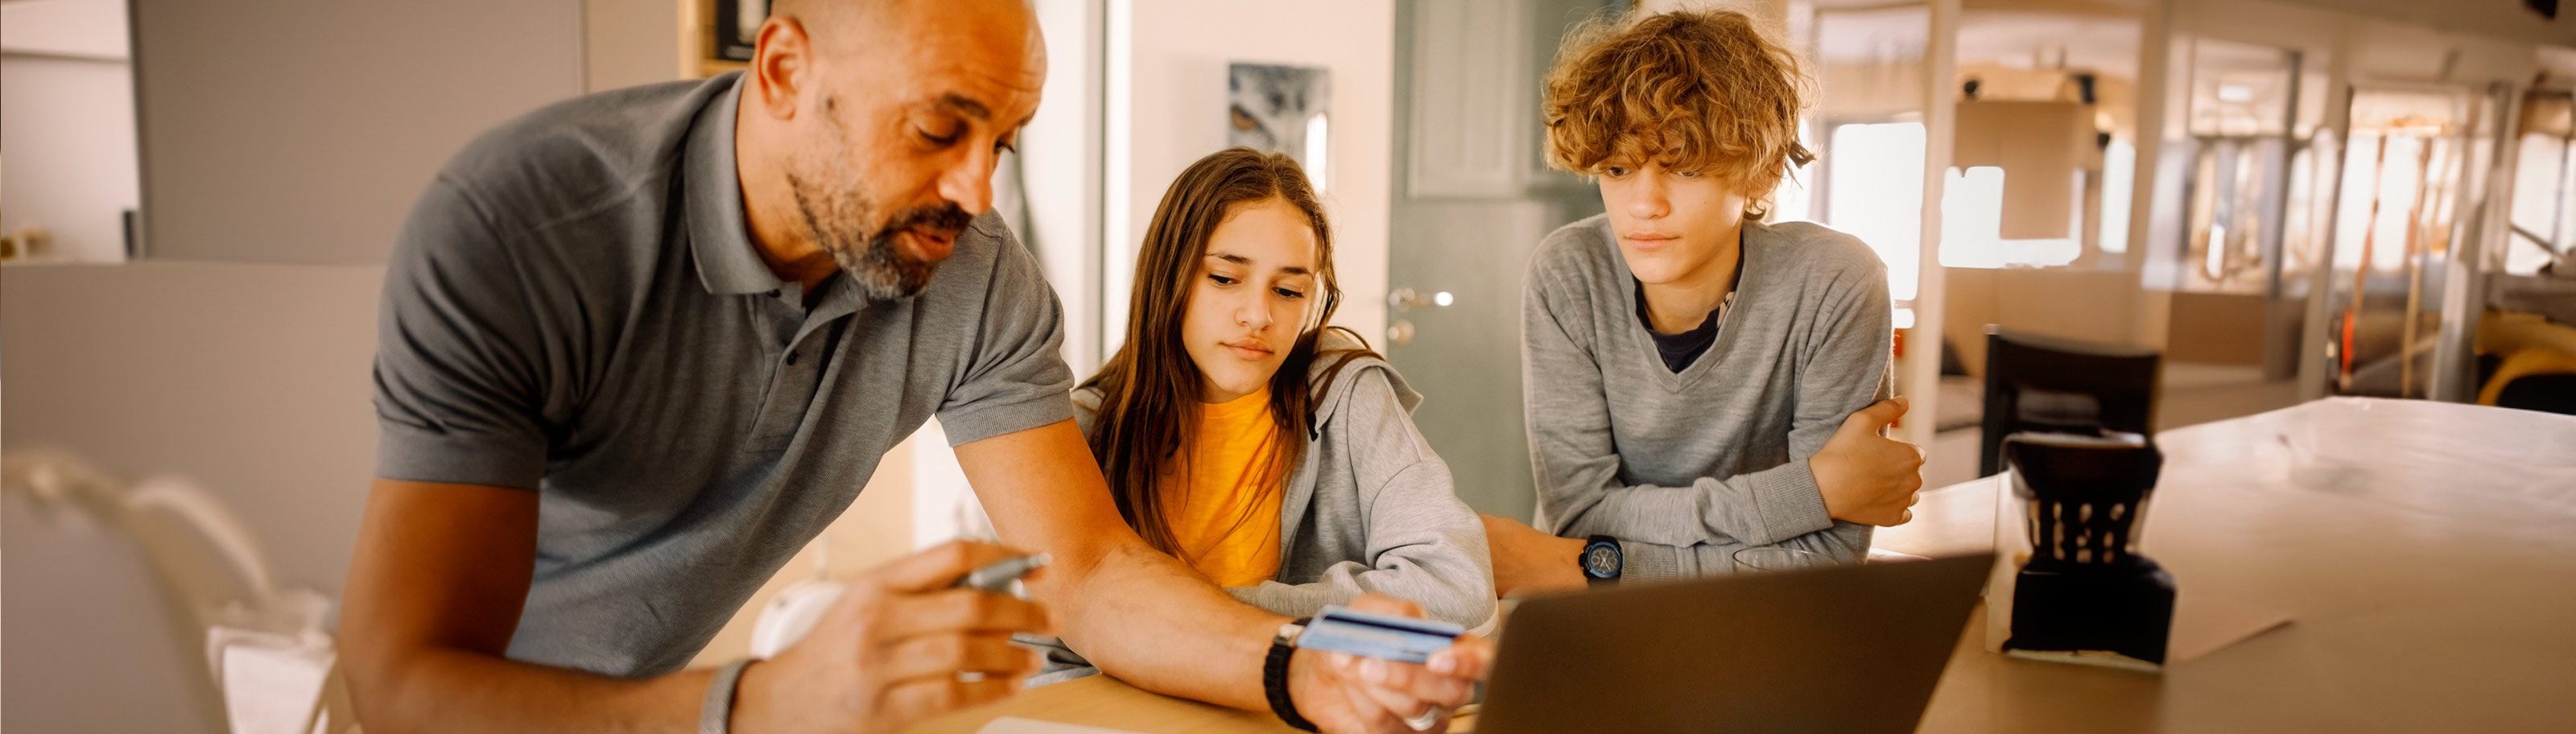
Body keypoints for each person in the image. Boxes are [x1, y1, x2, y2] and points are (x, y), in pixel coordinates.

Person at [337, 2, 1488, 732]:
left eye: (1004, 141)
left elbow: (1087, 569)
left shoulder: (975, 278)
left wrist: (1298, 670)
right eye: (941, 129)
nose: (978, 192)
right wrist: (764, 701)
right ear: (783, 70)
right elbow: (403, 683)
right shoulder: (523, 231)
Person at [1480, 8, 1929, 596]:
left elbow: (1826, 559)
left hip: (1742, 618)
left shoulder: (1836, 283)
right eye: (1618, 168)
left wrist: (1584, 566)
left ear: (1761, 173)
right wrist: (1814, 491)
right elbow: (1580, 515)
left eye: (1685, 168)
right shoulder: (1570, 274)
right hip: (1589, 616)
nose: (1644, 205)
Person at [1071, 148, 1494, 635]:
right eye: (1225, 278)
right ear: (1167, 278)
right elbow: (1045, 633)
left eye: (1289, 291)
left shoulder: (1344, 391)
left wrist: (1193, 615)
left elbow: (1458, 591)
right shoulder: (1085, 428)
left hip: (1295, 683)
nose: (1259, 316)